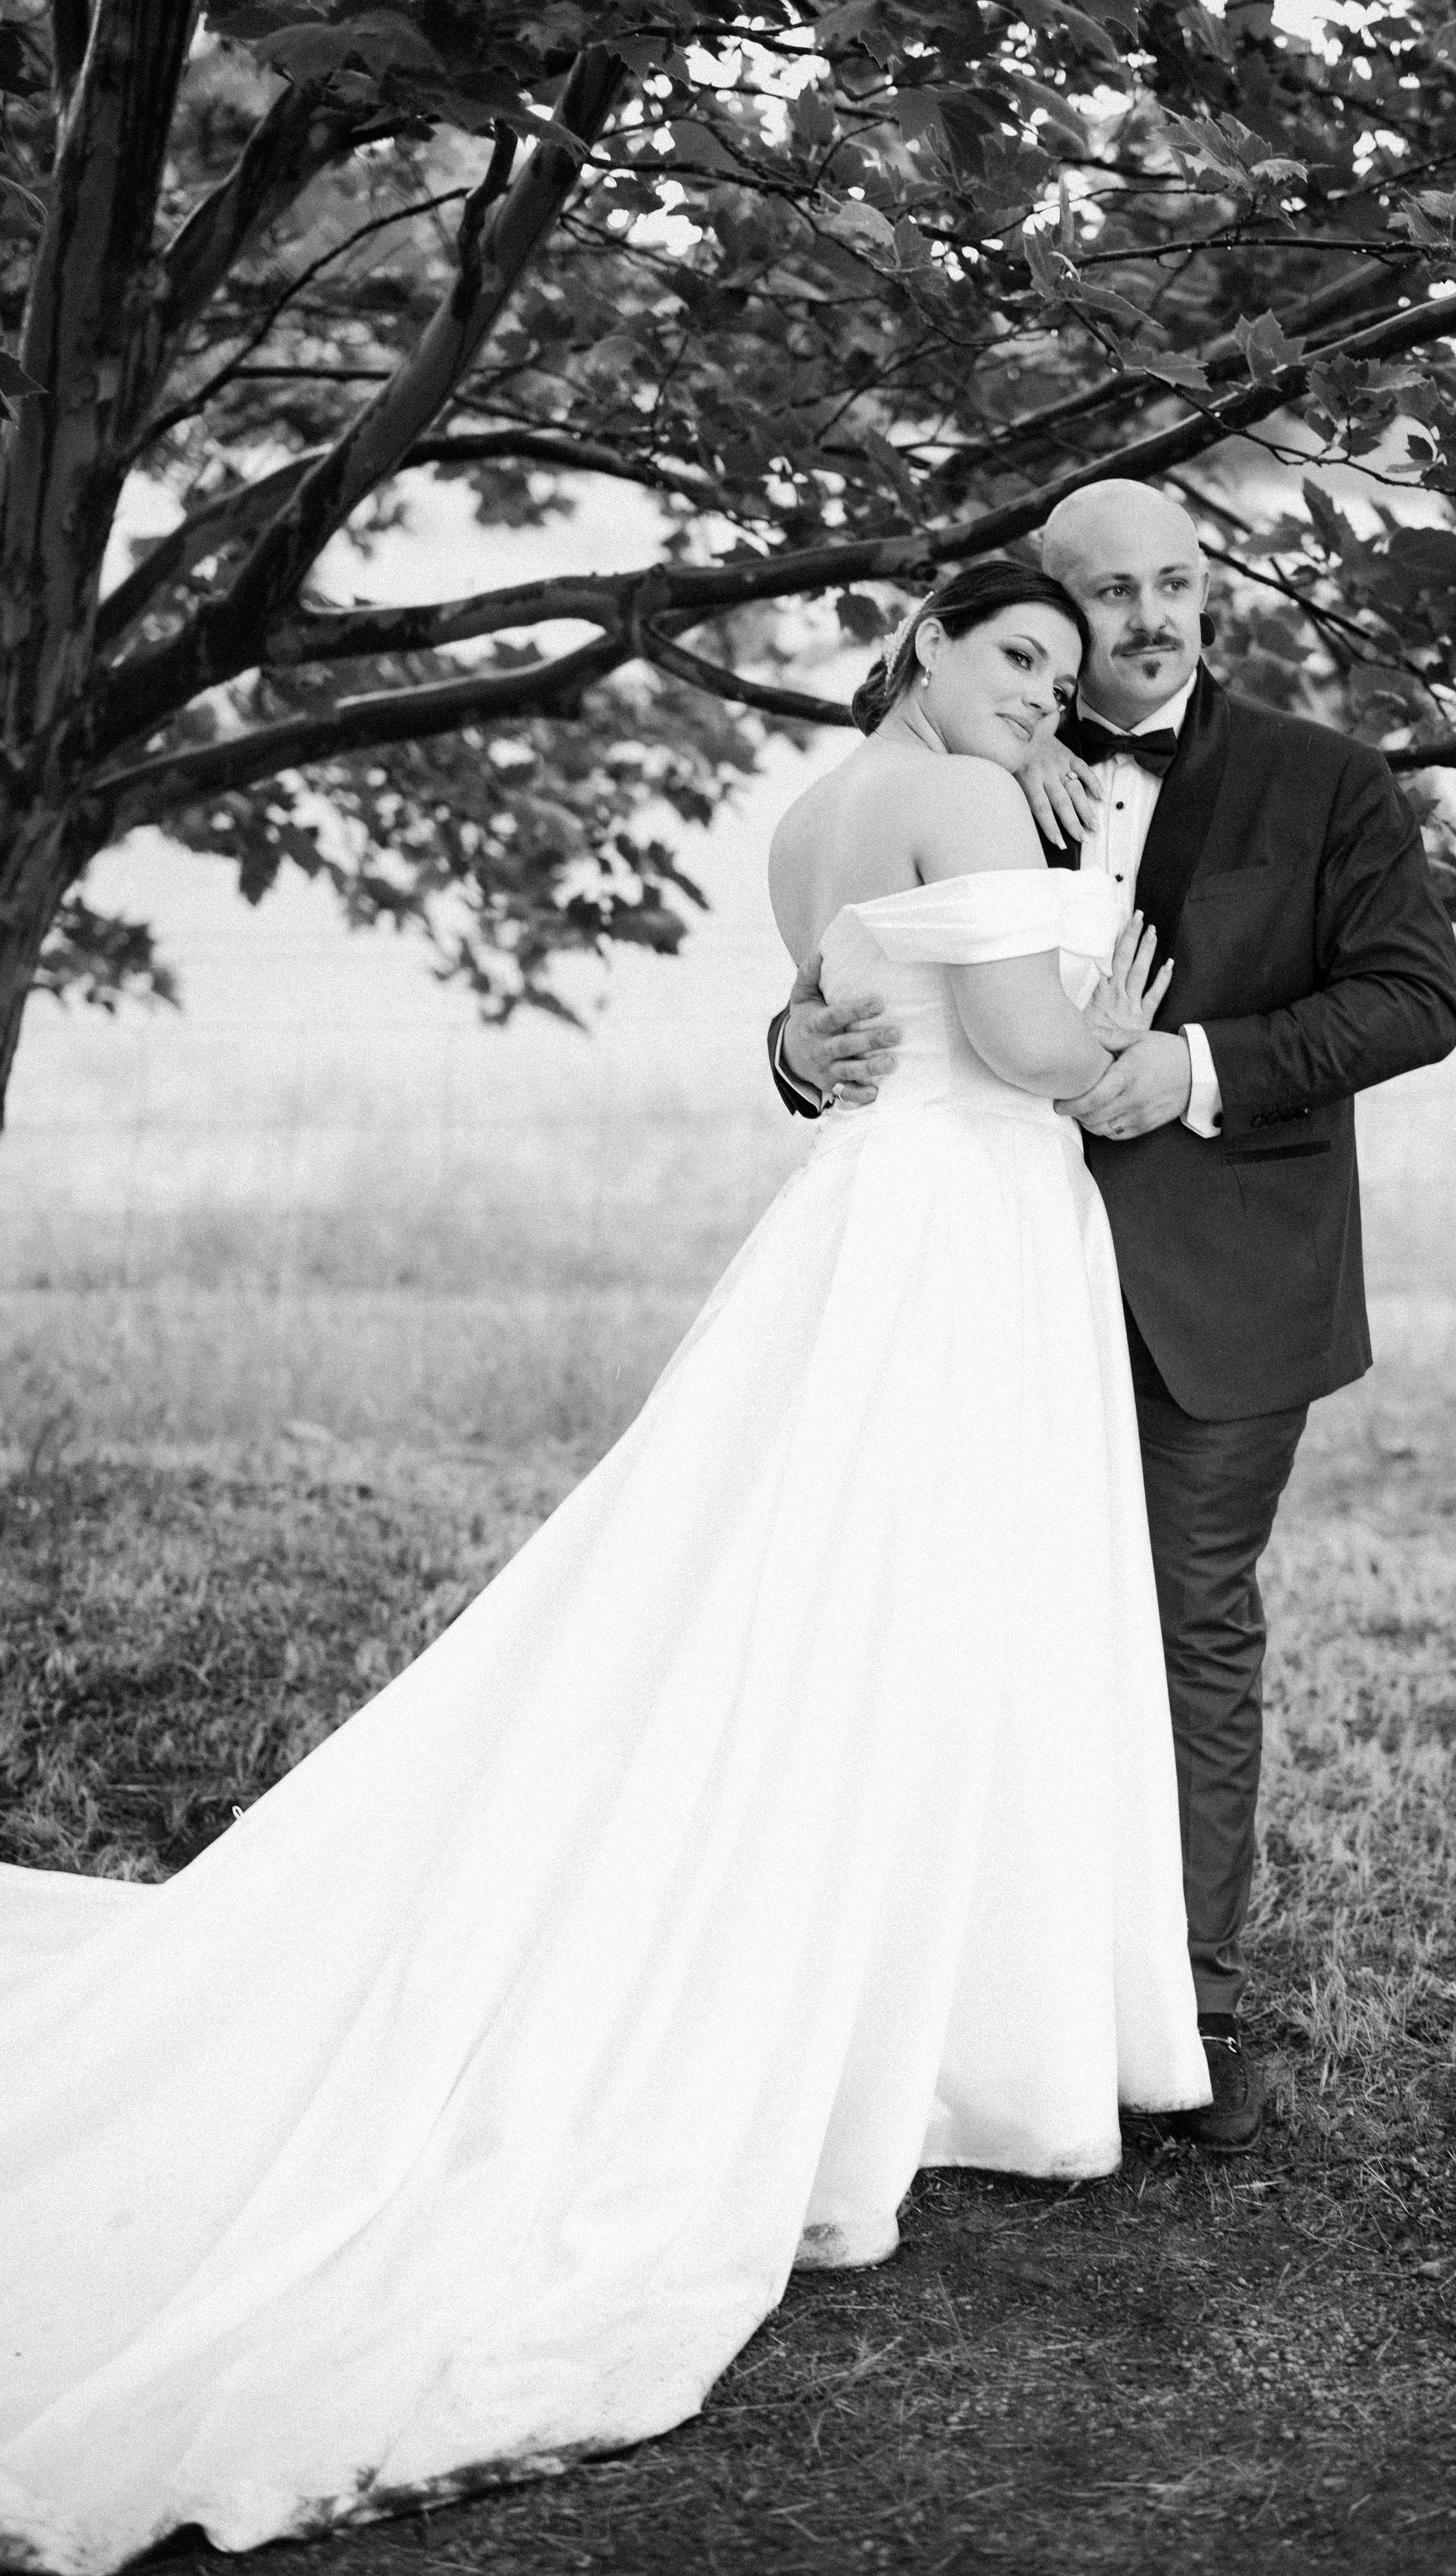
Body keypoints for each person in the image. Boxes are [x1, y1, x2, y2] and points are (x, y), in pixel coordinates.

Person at [0, 559, 1209, 2575]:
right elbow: (1026, 1059)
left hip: (871, 1214)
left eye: (1064, 681)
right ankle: (901, 2045)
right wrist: (1106, 1014)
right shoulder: (979, 798)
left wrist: (1028, 925)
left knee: (820, 1613)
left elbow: (845, 1023)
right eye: (1017, 655)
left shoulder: (812, 810)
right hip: (966, 1232)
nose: (1042, 698)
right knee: (922, 1624)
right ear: (924, 636)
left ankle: (894, 2015)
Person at [770, 485, 1456, 2152]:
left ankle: (1182, 2005)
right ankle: (972, 2000)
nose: (1149, 616)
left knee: (1178, 1620)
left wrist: (1196, 1063)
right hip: (988, 1265)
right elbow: (884, 976)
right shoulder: (984, 760)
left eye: (1175, 580)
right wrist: (797, 1050)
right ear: (1049, 618)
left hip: (1209, 1290)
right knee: (971, 1624)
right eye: (1108, 593)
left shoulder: (1322, 781)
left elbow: (1412, 998)